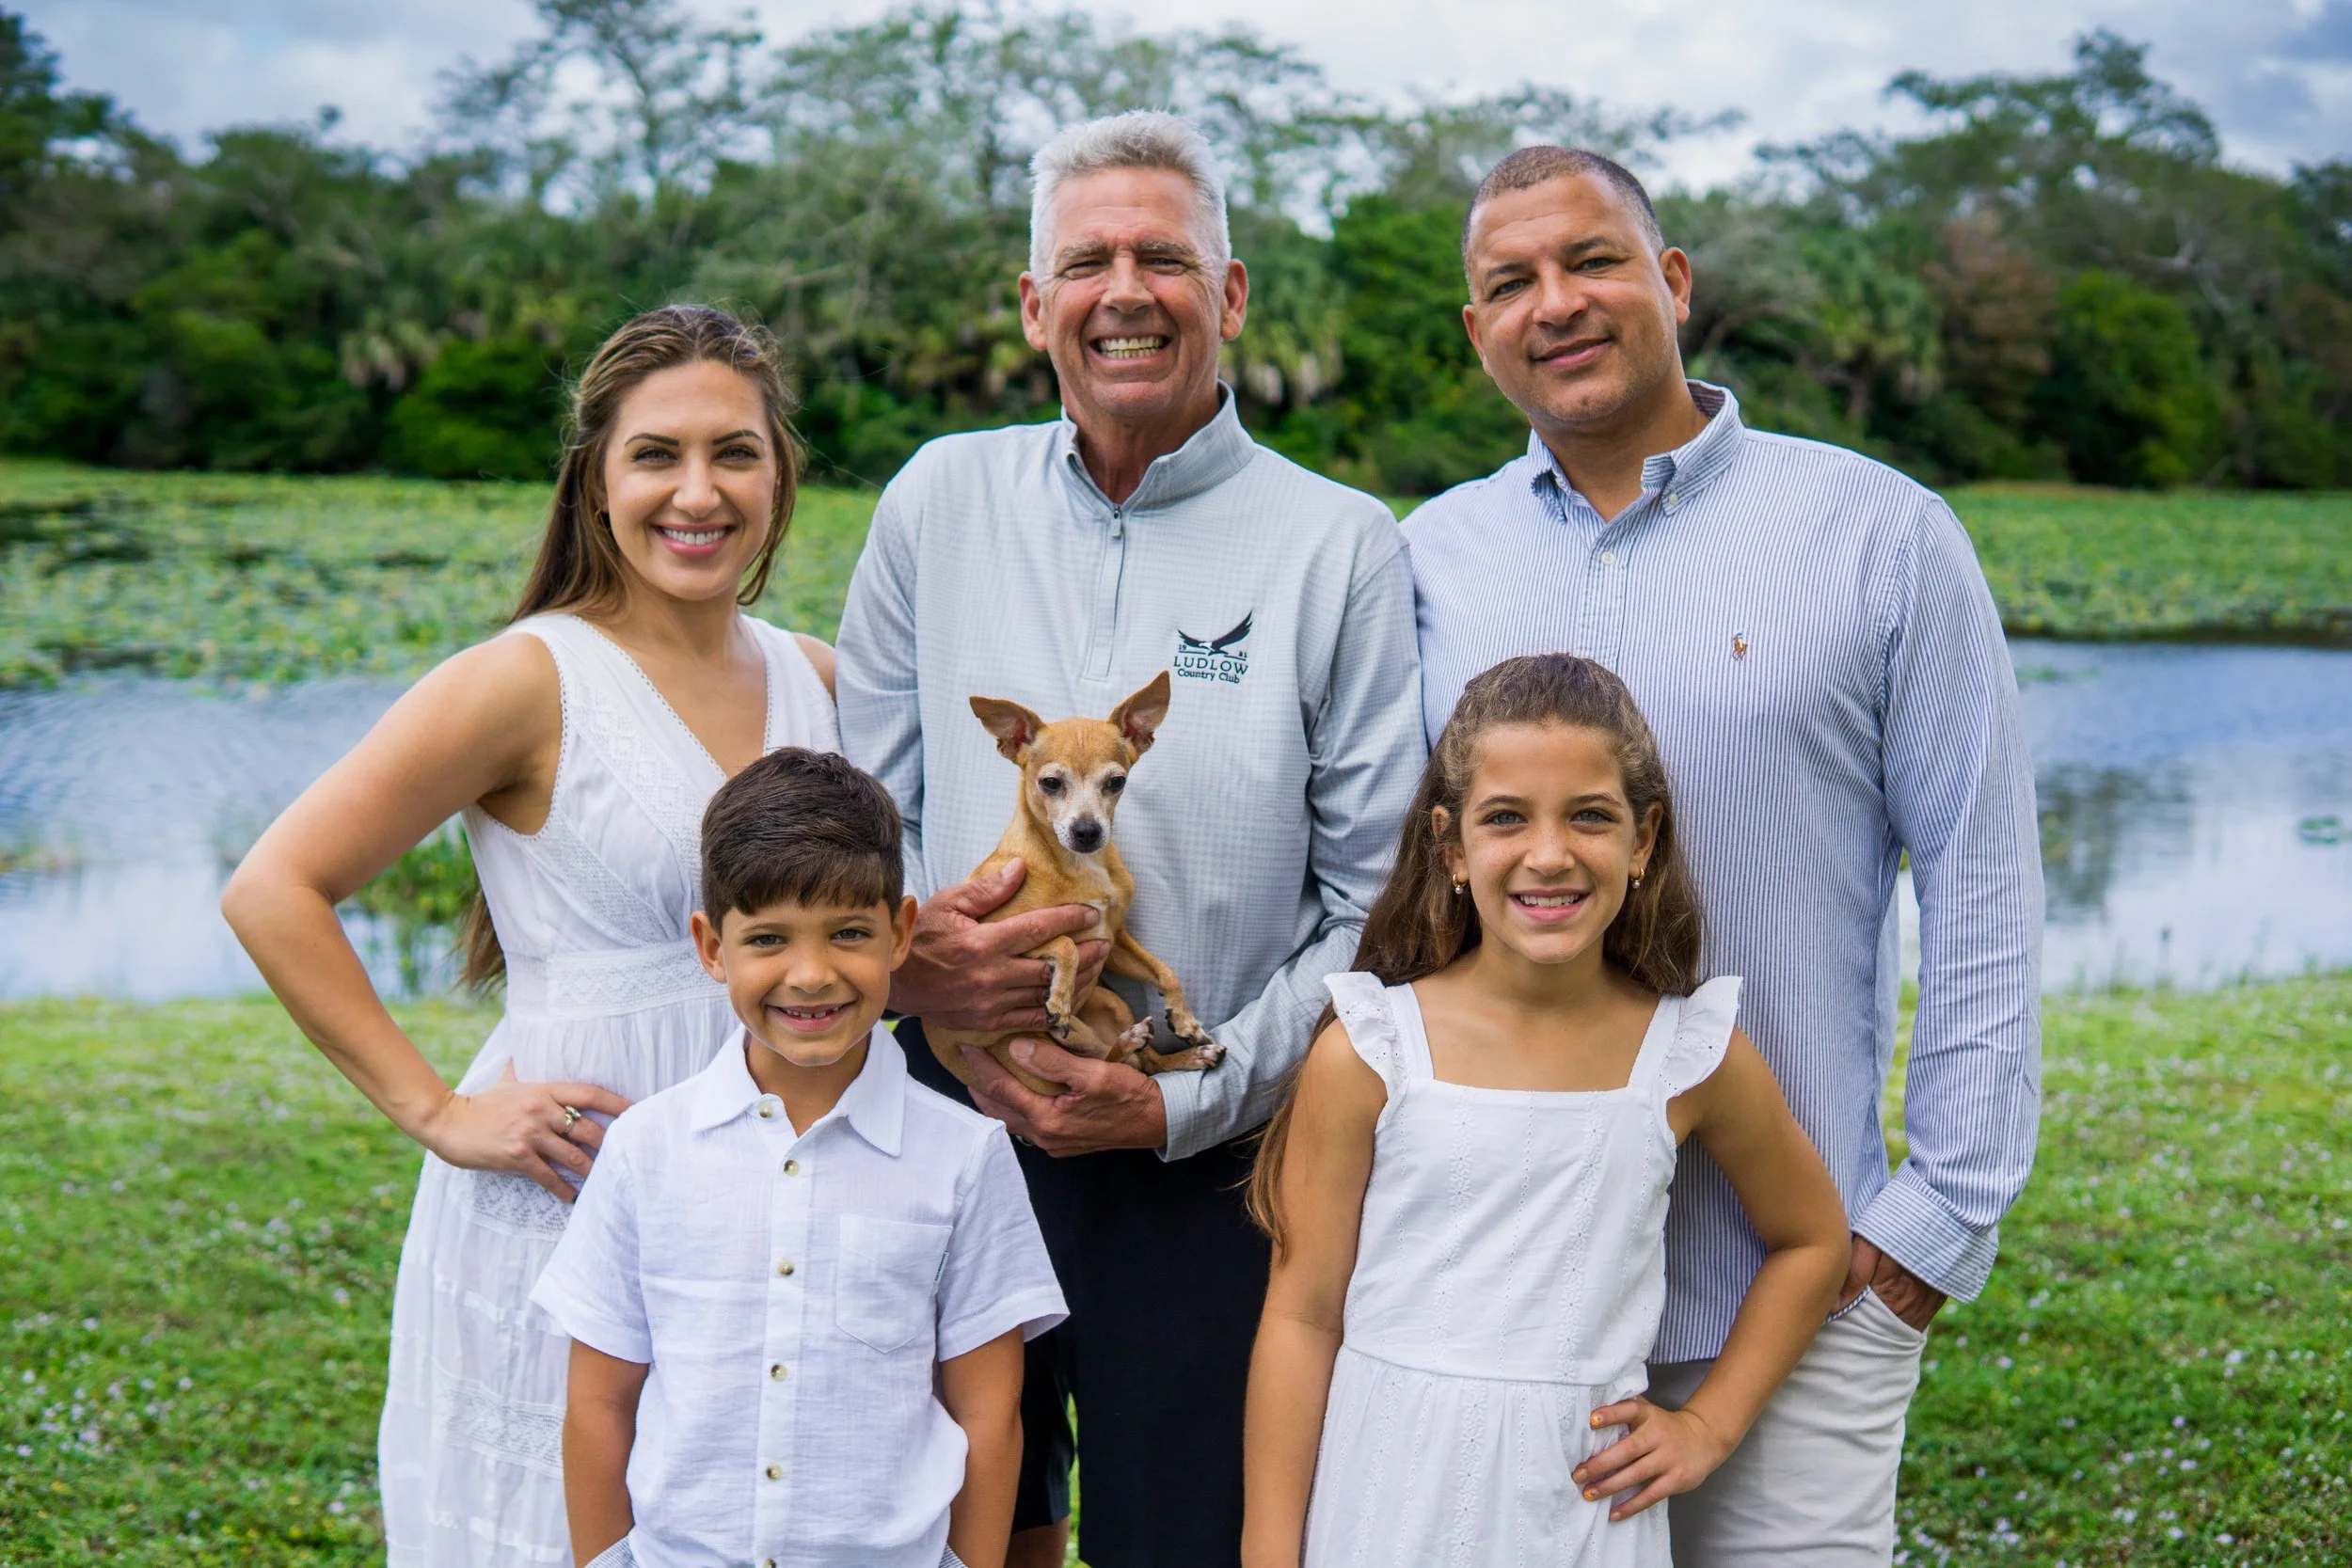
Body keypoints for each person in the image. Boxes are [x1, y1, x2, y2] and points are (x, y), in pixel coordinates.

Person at [1404, 146, 2043, 1564]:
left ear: (1673, 280)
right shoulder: (1429, 558)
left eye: (1593, 260)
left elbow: (1983, 874)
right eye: (1511, 281)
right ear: (1477, 328)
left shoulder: (1881, 533)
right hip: (1508, 1295)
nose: (1556, 303)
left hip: (1797, 1279)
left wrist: (1936, 1222)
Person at [834, 110, 1426, 1568]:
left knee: (1190, 1534)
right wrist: (926, 983)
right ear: (1035, 305)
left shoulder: (1337, 542)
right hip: (952, 1123)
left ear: (1230, 295)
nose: (1125, 291)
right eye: (1086, 261)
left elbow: (1376, 902)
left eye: (1164, 257)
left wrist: (1187, 1102)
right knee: (952, 1529)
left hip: (1215, 1158)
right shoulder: (936, 500)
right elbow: (862, 822)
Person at [221, 305, 841, 1566]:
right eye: (656, 454)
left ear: (780, 473)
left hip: (784, 1191)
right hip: (570, 1192)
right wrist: (440, 1111)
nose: (698, 491)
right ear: (596, 481)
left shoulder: (822, 681)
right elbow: (274, 885)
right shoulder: (527, 677)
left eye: (734, 452)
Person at [1240, 654, 1850, 1568]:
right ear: (1451, 845)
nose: (1550, 853)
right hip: (1384, 1502)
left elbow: (1813, 1240)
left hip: (1578, 1513)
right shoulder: (1371, 1047)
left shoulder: (1687, 1054)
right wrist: (1268, 1550)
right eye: (1506, 817)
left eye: (1590, 815)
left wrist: (1708, 1425)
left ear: (1644, 840)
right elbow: (1303, 1316)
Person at [533, 748, 1066, 1568]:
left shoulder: (967, 1156)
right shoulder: (645, 1149)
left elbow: (990, 1415)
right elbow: (600, 1404)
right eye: (768, 938)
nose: (811, 975)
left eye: (849, 933)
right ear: (712, 946)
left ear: (902, 932)